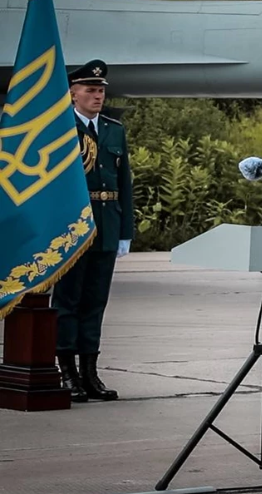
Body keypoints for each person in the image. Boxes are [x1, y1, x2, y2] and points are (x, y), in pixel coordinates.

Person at [53, 59, 133, 403]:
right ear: (73, 93)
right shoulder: (61, 129)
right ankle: (66, 371)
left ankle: (90, 373)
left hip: (108, 223)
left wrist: (125, 231)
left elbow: (124, 183)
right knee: (68, 301)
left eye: (101, 90)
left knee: (95, 302)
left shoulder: (114, 130)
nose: (97, 96)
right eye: (90, 90)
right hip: (74, 226)